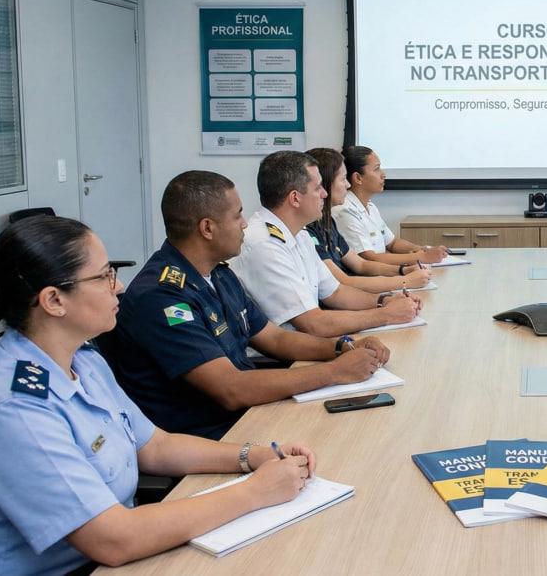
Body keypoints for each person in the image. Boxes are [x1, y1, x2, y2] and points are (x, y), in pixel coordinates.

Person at [0, 216, 317, 574]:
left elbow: (154, 447)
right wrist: (255, 492)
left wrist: (252, 456)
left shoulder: (83, 358)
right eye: (103, 277)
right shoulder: (14, 408)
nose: (118, 285)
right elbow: (114, 539)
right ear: (54, 301)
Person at [110, 170, 391, 440]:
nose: (245, 223)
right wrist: (335, 371)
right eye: (237, 215)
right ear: (207, 228)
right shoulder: (162, 297)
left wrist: (342, 347)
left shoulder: (218, 273)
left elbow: (274, 337)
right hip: (214, 435)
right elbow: (231, 389)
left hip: (252, 415)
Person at [230, 150, 424, 336]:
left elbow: (336, 292)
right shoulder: (266, 244)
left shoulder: (300, 234)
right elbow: (312, 323)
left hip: (310, 343)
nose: (324, 194)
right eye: (318, 188)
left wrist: (386, 301)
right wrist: (386, 314)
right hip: (286, 359)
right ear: (295, 198)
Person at [305, 147, 433, 294]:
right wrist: (406, 279)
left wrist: (404, 269)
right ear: (323, 186)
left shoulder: (327, 222)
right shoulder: (311, 228)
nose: (347, 185)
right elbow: (343, 281)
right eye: (342, 179)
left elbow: (361, 264)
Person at [333, 146, 448, 267]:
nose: (383, 174)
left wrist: (421, 249)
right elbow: (368, 258)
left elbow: (392, 243)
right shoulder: (345, 210)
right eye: (376, 169)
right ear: (358, 178)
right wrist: (422, 257)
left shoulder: (370, 206)